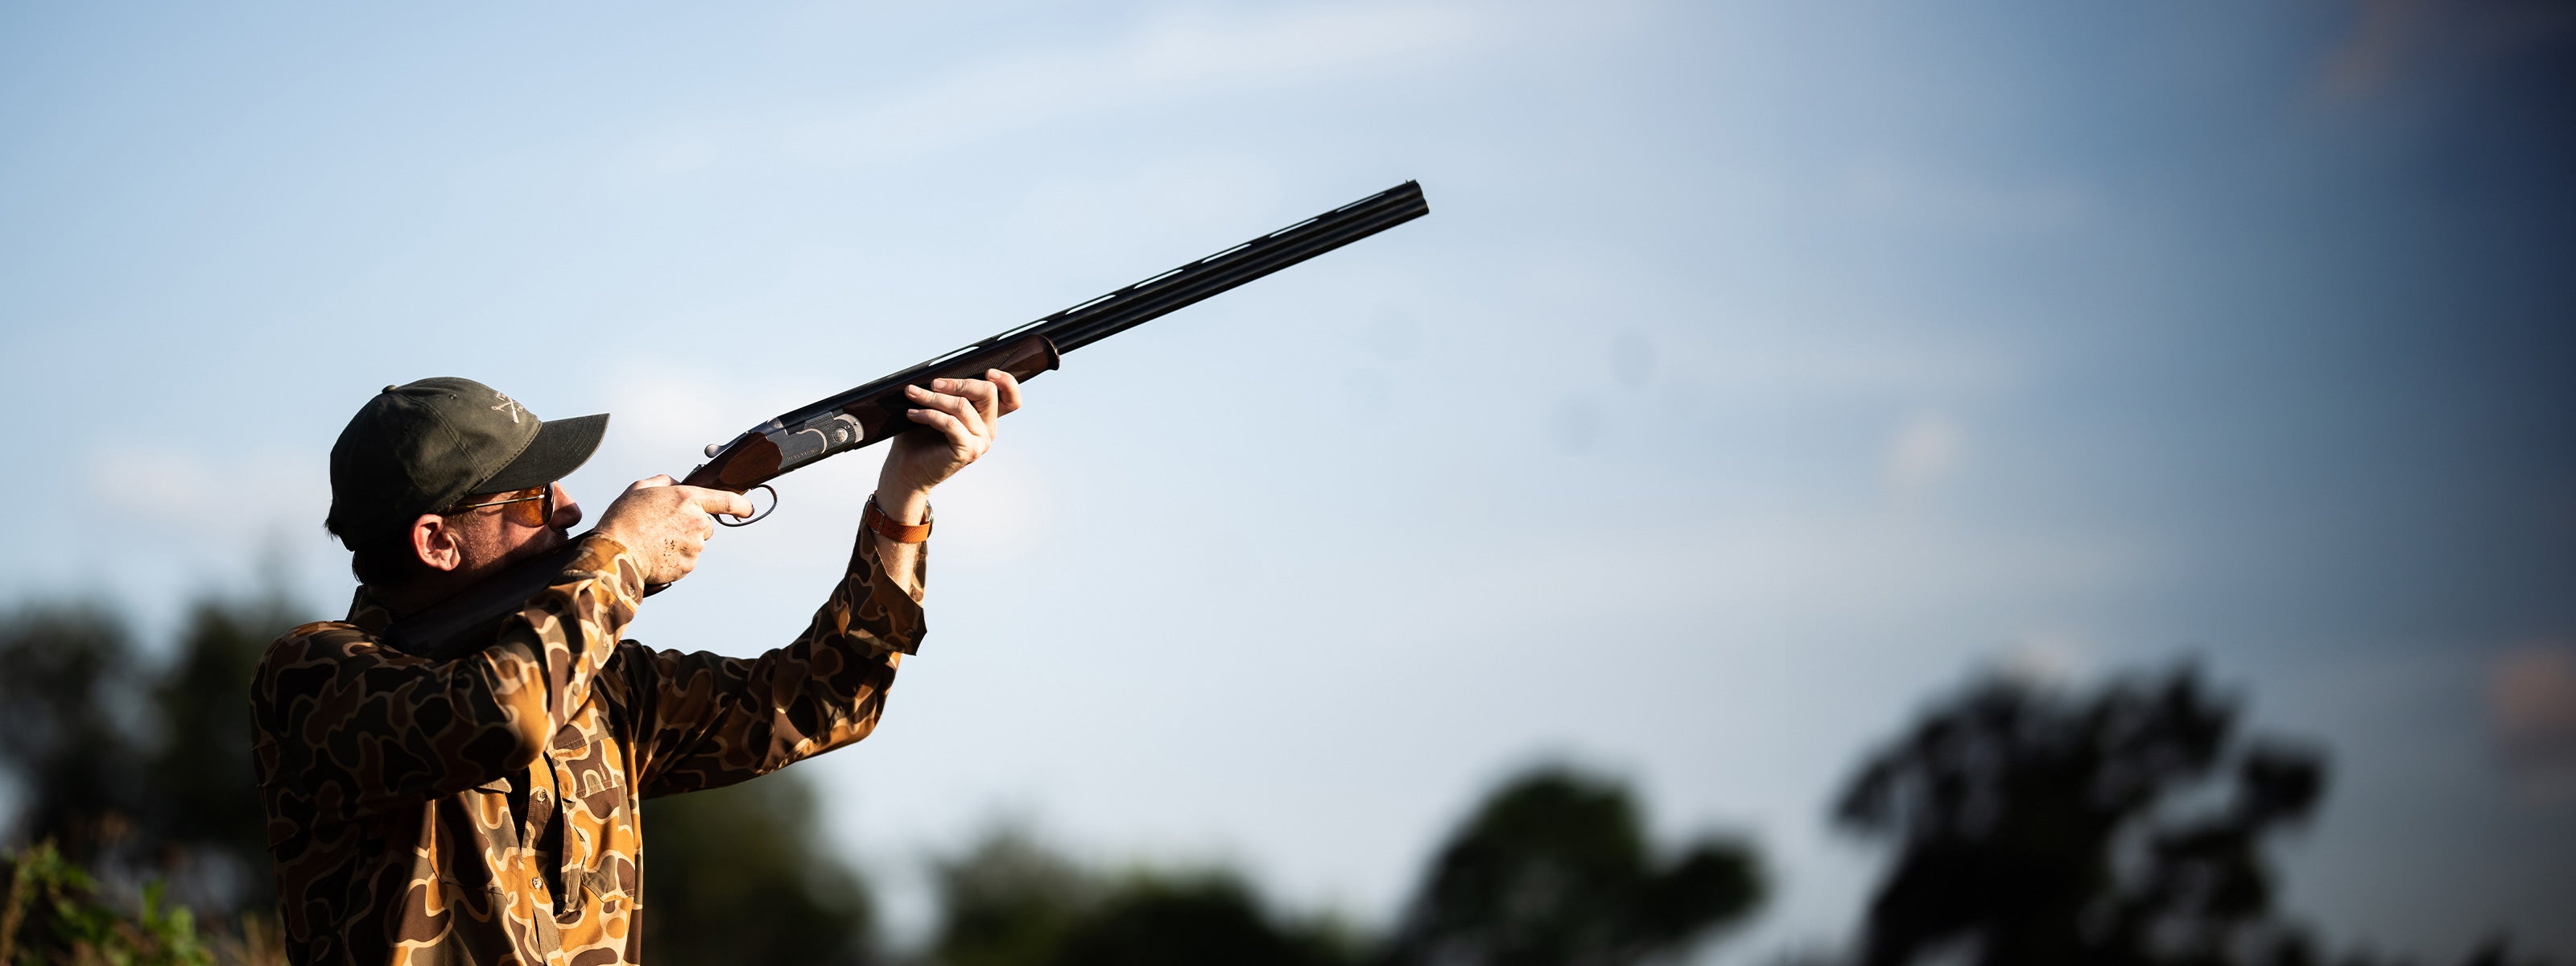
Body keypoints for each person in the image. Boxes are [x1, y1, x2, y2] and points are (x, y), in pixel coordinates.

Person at [251, 372, 1021, 964]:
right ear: (437, 543)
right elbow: (499, 717)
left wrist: (904, 498)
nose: (572, 509)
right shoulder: (317, 674)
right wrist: (620, 559)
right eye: (529, 499)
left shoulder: (603, 687)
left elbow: (823, 701)